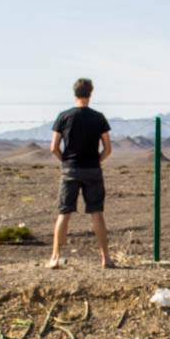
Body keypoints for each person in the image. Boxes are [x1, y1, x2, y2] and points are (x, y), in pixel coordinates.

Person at [47, 78, 114, 268]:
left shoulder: (64, 116)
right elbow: (108, 148)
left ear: (74, 93)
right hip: (93, 169)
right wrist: (96, 161)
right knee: (97, 213)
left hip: (70, 169)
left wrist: (67, 162)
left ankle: (54, 257)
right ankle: (105, 258)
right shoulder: (99, 117)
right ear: (90, 94)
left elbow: (54, 147)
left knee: (64, 213)